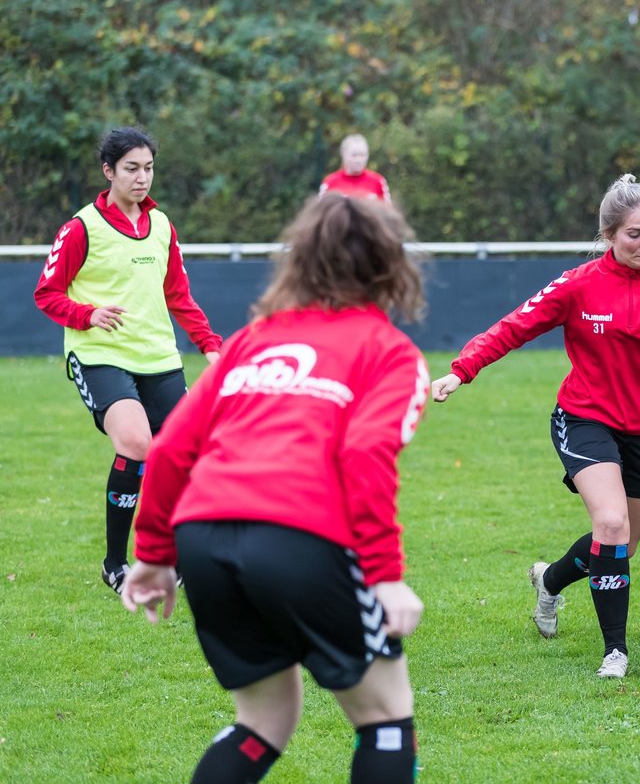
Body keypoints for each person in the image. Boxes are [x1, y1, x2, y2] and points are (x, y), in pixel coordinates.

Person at [121, 194, 430, 783]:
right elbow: (364, 452)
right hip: (299, 537)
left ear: (301, 260)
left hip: (204, 539)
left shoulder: (251, 340)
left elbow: (170, 450)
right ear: (392, 263)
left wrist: (155, 557)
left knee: (264, 720)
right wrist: (385, 578)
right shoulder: (389, 352)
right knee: (386, 717)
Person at [430, 174, 640, 679]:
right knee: (611, 524)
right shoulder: (578, 285)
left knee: (621, 546)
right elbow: (513, 326)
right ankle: (615, 652)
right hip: (585, 418)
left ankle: (549, 580)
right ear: (609, 235)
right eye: (634, 234)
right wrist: (461, 370)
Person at [33, 126, 222, 593]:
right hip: (99, 355)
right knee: (137, 442)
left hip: (157, 357)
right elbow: (47, 293)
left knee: (182, 456)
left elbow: (179, 297)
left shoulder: (162, 227)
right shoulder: (80, 228)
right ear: (109, 171)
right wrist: (87, 314)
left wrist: (211, 346)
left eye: (149, 168)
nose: (142, 178)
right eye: (132, 169)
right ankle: (116, 564)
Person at [319, 134, 392, 201]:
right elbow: (321, 211)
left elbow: (387, 212)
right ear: (343, 155)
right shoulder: (330, 182)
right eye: (354, 155)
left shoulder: (378, 181)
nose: (358, 160)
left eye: (362, 155)